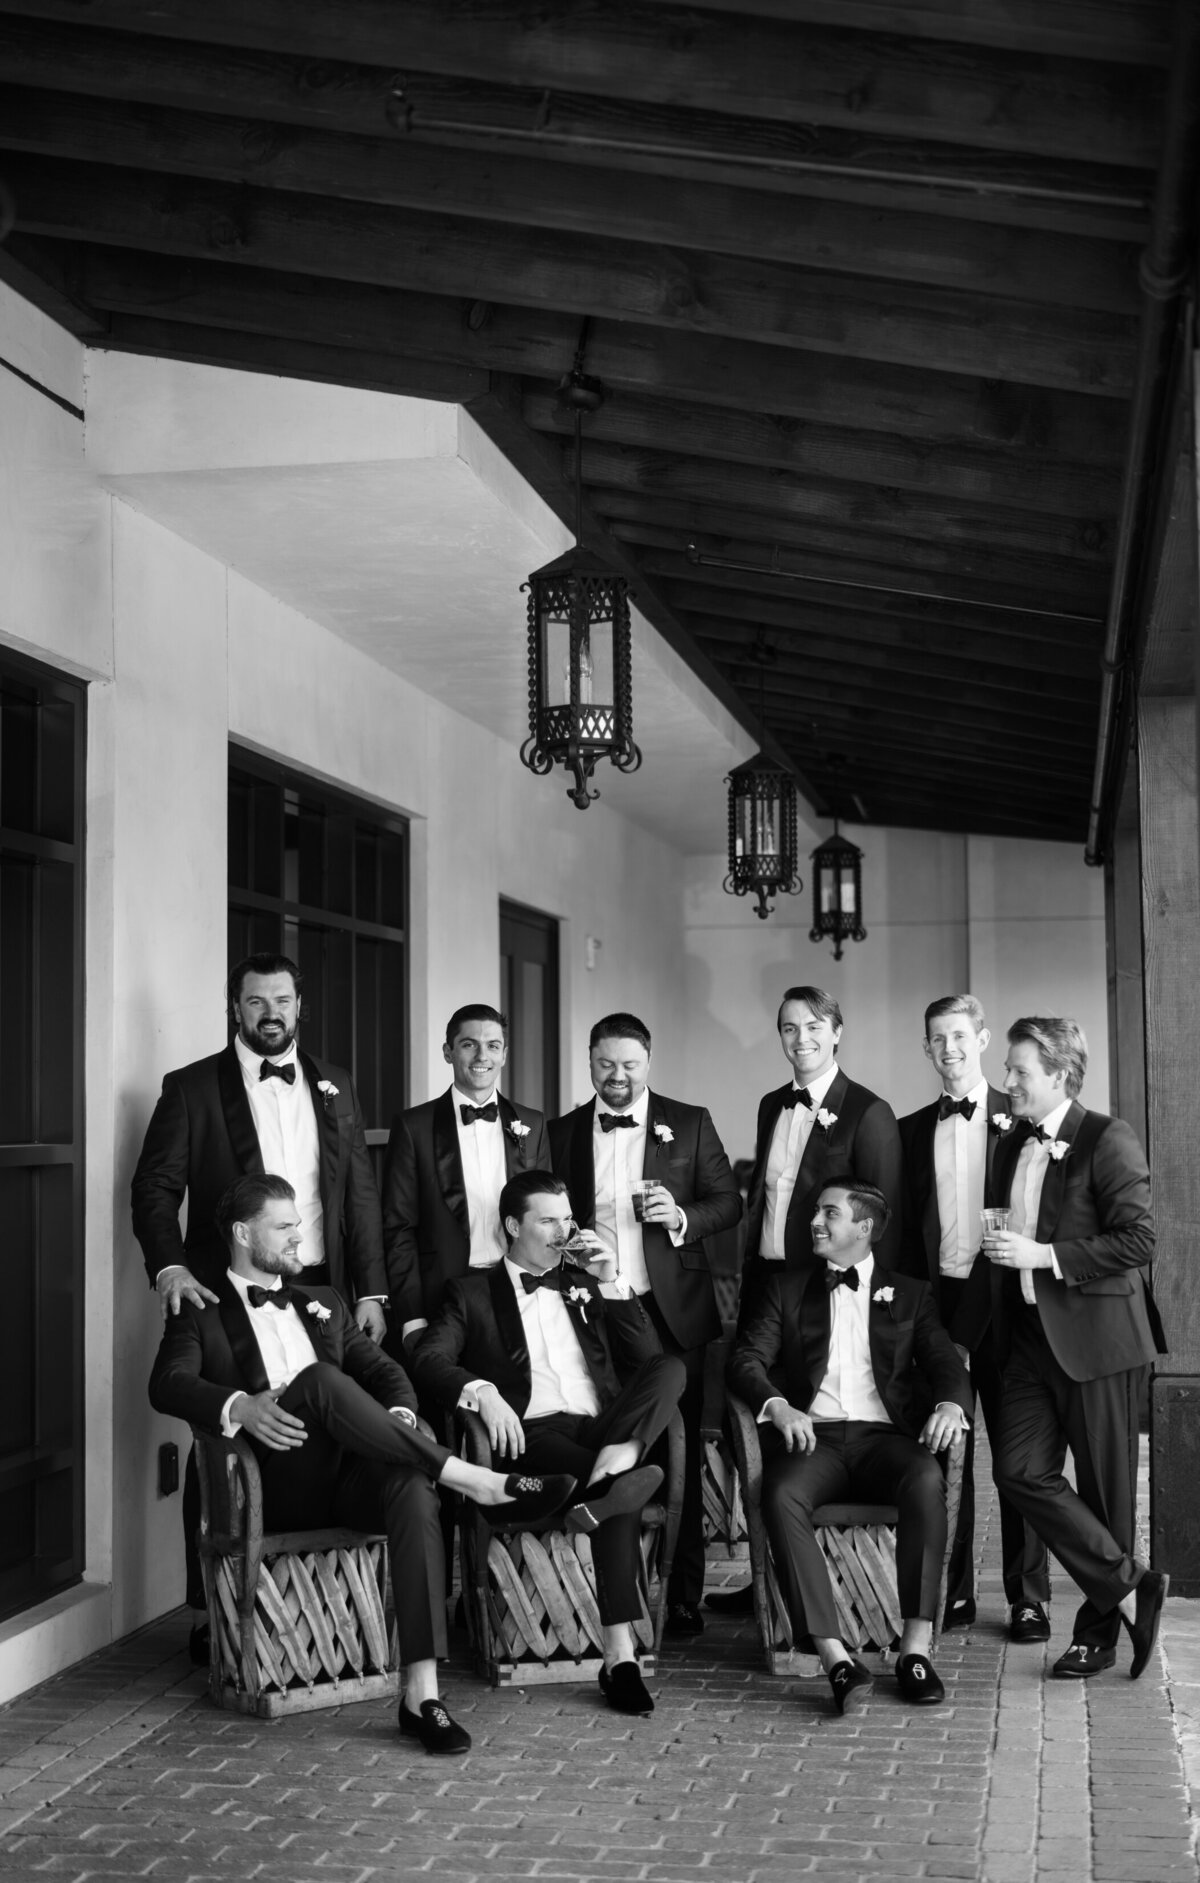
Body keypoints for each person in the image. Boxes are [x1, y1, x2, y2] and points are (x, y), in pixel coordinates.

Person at [148, 1174, 574, 1753]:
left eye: (300, 1223)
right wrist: (238, 1406)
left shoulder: (323, 1302)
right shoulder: (202, 1309)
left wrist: (397, 1416)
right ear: (243, 1234)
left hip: (347, 1473)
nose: (301, 1236)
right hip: (271, 1479)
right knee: (322, 1380)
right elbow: (167, 1384)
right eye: (285, 1226)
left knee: (410, 1487)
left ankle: (422, 1695)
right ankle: (470, 1477)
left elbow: (387, 1373)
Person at [131, 951, 387, 1659]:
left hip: (321, 1285)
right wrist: (171, 1265)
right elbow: (154, 1189)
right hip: (227, 1286)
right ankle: (215, 1606)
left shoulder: (336, 1084)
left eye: (281, 1000)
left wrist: (368, 1290)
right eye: (255, 1001)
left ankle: (318, 1593)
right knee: (221, 1442)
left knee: (322, 1430)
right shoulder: (189, 1089)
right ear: (234, 1008)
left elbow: (358, 1194)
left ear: (299, 1005)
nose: (270, 1012)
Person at [413, 1169, 687, 1717]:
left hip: (602, 1426)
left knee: (671, 1367)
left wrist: (611, 1280)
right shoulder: (470, 1293)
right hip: (535, 1434)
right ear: (514, 1225)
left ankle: (617, 1466)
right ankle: (621, 1658)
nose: (565, 1230)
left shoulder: (585, 1282)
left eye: (568, 1218)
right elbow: (428, 1358)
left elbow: (645, 1358)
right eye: (549, 1219)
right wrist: (481, 1391)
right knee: (620, 1494)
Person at [728, 1181, 972, 1714]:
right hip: (812, 1438)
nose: (816, 1220)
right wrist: (777, 1405)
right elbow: (747, 1359)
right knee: (780, 1493)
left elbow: (945, 1362)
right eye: (817, 1211)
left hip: (886, 1439)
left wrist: (951, 1405)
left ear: (863, 1228)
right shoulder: (787, 1289)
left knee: (927, 1479)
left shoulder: (910, 1293)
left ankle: (915, 1649)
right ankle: (835, 1657)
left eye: (829, 1213)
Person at [710, 985, 903, 1617]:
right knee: (761, 1420)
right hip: (768, 1283)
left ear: (837, 1032)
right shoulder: (772, 1104)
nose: (802, 1039)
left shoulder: (868, 1112)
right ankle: (772, 1572)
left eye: (814, 1026)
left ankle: (829, 1579)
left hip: (821, 1295)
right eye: (789, 1028)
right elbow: (769, 1197)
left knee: (808, 1431)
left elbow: (881, 1222)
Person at [985, 1017, 1168, 1682]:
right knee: (1017, 1469)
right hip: (1030, 1340)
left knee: (1106, 1491)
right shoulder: (1010, 1143)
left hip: (1100, 1341)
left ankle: (1098, 1636)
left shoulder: (1106, 1136)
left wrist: (1044, 1255)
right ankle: (1131, 1585)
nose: (1006, 1083)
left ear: (1059, 1074)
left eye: (1019, 1071)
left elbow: (1139, 1240)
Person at [548, 1012, 741, 1636]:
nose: (618, 1076)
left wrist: (681, 1215)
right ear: (590, 1062)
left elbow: (728, 1202)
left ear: (648, 1062)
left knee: (678, 1445)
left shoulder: (689, 1121)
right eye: (606, 1064)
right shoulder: (565, 1131)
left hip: (672, 1308)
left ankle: (683, 1595)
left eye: (630, 1065)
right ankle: (610, 1586)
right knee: (606, 1424)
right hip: (595, 1310)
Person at [898, 995, 1049, 1640]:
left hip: (1006, 1310)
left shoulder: (1020, 1125)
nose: (950, 1049)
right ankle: (953, 1592)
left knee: (1016, 1457)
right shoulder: (906, 1130)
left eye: (961, 1036)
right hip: (939, 1309)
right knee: (945, 1452)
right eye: (938, 1039)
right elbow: (904, 1235)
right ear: (926, 1048)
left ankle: (1028, 1597)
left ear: (983, 1040)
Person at [382, 1004, 550, 1350]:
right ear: (448, 1052)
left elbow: (546, 1216)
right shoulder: (413, 1127)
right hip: (442, 1294)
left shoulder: (533, 1124)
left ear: (504, 1054)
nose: (481, 1056)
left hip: (519, 1287)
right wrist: (411, 1316)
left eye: (492, 1045)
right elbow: (397, 1228)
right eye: (469, 1044)